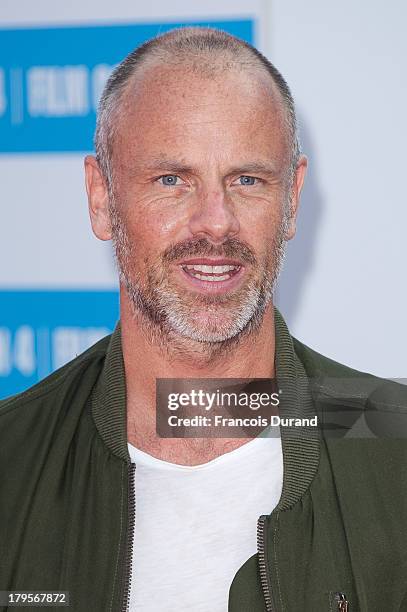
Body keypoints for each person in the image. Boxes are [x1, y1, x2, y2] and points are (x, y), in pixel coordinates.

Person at [0, 26, 406, 612]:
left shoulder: (394, 448)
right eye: (171, 180)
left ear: (291, 199)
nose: (215, 224)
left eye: (247, 180)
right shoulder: (12, 463)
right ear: (100, 197)